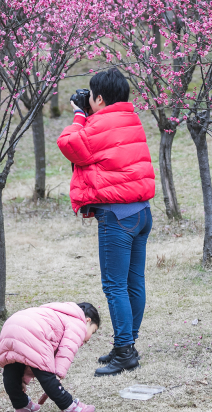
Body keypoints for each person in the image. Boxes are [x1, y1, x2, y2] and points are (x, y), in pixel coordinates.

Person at [57, 68, 155, 376]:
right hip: (141, 213)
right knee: (133, 282)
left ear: (98, 98)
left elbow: (69, 145)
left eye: (91, 98)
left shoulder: (98, 122)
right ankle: (128, 343)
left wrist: (78, 114)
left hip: (117, 216)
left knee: (114, 285)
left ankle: (124, 350)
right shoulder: (131, 118)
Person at [0, 302, 100, 412]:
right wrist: (57, 373)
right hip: (34, 328)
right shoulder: (78, 322)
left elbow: (30, 358)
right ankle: (69, 407)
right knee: (47, 376)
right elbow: (66, 350)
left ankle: (21, 405)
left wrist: (23, 380)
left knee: (12, 366)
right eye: (93, 330)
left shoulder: (55, 313)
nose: (90, 337)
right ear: (87, 320)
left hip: (12, 323)